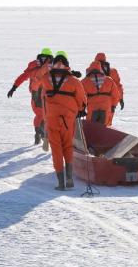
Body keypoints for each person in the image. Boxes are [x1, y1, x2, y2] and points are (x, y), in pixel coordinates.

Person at [40, 51, 87, 190]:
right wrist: (80, 109)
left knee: (56, 149)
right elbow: (82, 98)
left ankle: (61, 183)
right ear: (67, 64)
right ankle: (69, 177)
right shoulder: (74, 81)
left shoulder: (46, 78)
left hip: (52, 118)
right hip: (68, 119)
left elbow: (42, 94)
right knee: (68, 146)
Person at [7, 48, 54, 147]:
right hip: (45, 92)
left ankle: (39, 133)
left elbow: (23, 77)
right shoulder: (50, 66)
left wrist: (14, 87)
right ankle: (42, 133)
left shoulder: (33, 67)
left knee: (40, 114)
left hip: (36, 93)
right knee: (45, 115)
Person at [81, 61, 121, 126]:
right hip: (105, 108)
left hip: (92, 109)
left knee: (91, 127)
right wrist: (113, 106)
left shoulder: (84, 81)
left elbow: (81, 97)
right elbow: (116, 95)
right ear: (100, 69)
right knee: (104, 128)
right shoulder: (109, 80)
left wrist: (81, 109)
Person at [94, 53, 124, 125]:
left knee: (94, 123)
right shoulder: (113, 71)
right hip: (110, 102)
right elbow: (118, 87)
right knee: (107, 123)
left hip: (95, 101)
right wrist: (121, 99)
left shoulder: (92, 73)